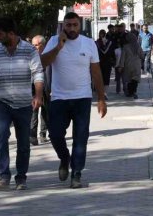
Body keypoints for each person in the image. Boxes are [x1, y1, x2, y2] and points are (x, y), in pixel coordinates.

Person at [41, 12, 107, 189]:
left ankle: (76, 173)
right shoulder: (54, 41)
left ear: (80, 25)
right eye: (67, 25)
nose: (71, 28)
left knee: (81, 137)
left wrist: (101, 98)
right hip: (58, 98)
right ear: (63, 26)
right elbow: (42, 63)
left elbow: (96, 72)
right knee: (55, 134)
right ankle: (64, 158)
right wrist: (58, 48)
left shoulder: (88, 43)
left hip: (82, 98)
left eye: (74, 25)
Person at [0, 17, 44, 190]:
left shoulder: (29, 50)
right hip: (2, 102)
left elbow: (38, 73)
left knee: (23, 142)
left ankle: (21, 177)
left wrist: (38, 96)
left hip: (24, 103)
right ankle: (4, 176)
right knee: (1, 136)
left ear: (11, 33)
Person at [30, 35, 51, 145]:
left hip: (46, 87)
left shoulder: (49, 56)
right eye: (33, 45)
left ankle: (43, 134)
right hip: (33, 87)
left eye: (37, 45)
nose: (35, 47)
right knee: (33, 111)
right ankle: (32, 136)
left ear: (43, 46)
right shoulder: (29, 57)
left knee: (46, 111)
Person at [117, 31, 143, 99]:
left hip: (128, 65)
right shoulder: (138, 46)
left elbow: (122, 58)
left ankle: (130, 92)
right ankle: (134, 91)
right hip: (137, 65)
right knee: (135, 79)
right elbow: (142, 55)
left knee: (129, 80)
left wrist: (121, 66)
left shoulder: (125, 47)